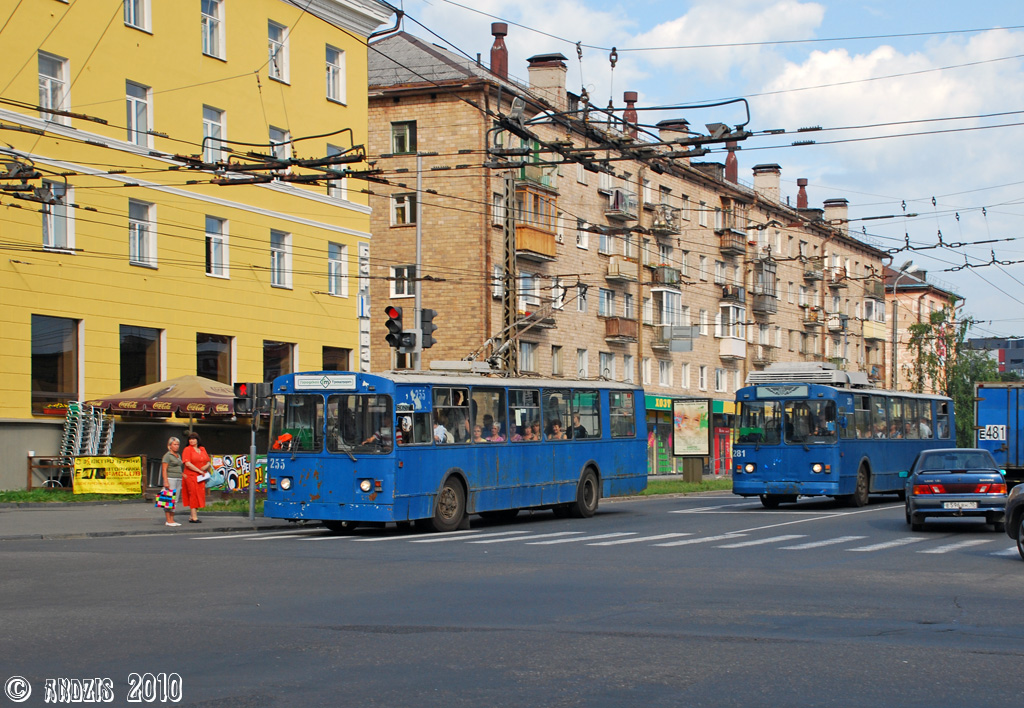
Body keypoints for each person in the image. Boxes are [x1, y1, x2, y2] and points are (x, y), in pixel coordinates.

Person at [180, 432, 211, 524]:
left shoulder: (202, 449)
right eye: (190, 439)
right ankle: (194, 517)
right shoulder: (187, 450)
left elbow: (208, 461)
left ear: (197, 440)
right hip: (191, 475)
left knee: (199, 494)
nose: (191, 441)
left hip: (201, 476)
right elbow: (187, 463)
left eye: (193, 439)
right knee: (193, 494)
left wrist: (204, 468)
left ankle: (191, 515)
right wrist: (198, 470)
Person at [160, 437, 183, 527]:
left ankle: (172, 519)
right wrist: (166, 481)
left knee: (175, 500)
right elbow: (164, 469)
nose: (177, 446)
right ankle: (168, 520)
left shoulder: (178, 455)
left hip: (178, 478)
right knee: (168, 499)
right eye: (174, 444)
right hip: (170, 478)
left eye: (178, 444)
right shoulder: (167, 456)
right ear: (170, 445)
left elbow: (178, 467)